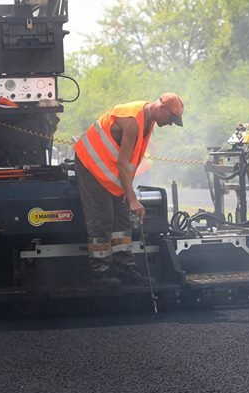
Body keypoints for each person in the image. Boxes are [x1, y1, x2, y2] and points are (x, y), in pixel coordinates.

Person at [73, 93, 184, 288]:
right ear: (161, 108)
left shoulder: (147, 122)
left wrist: (128, 195)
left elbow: (127, 162)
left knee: (122, 217)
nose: (170, 124)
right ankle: (101, 272)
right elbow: (123, 163)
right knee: (102, 219)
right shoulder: (132, 121)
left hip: (109, 168)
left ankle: (126, 268)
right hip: (91, 163)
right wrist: (132, 198)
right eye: (171, 119)